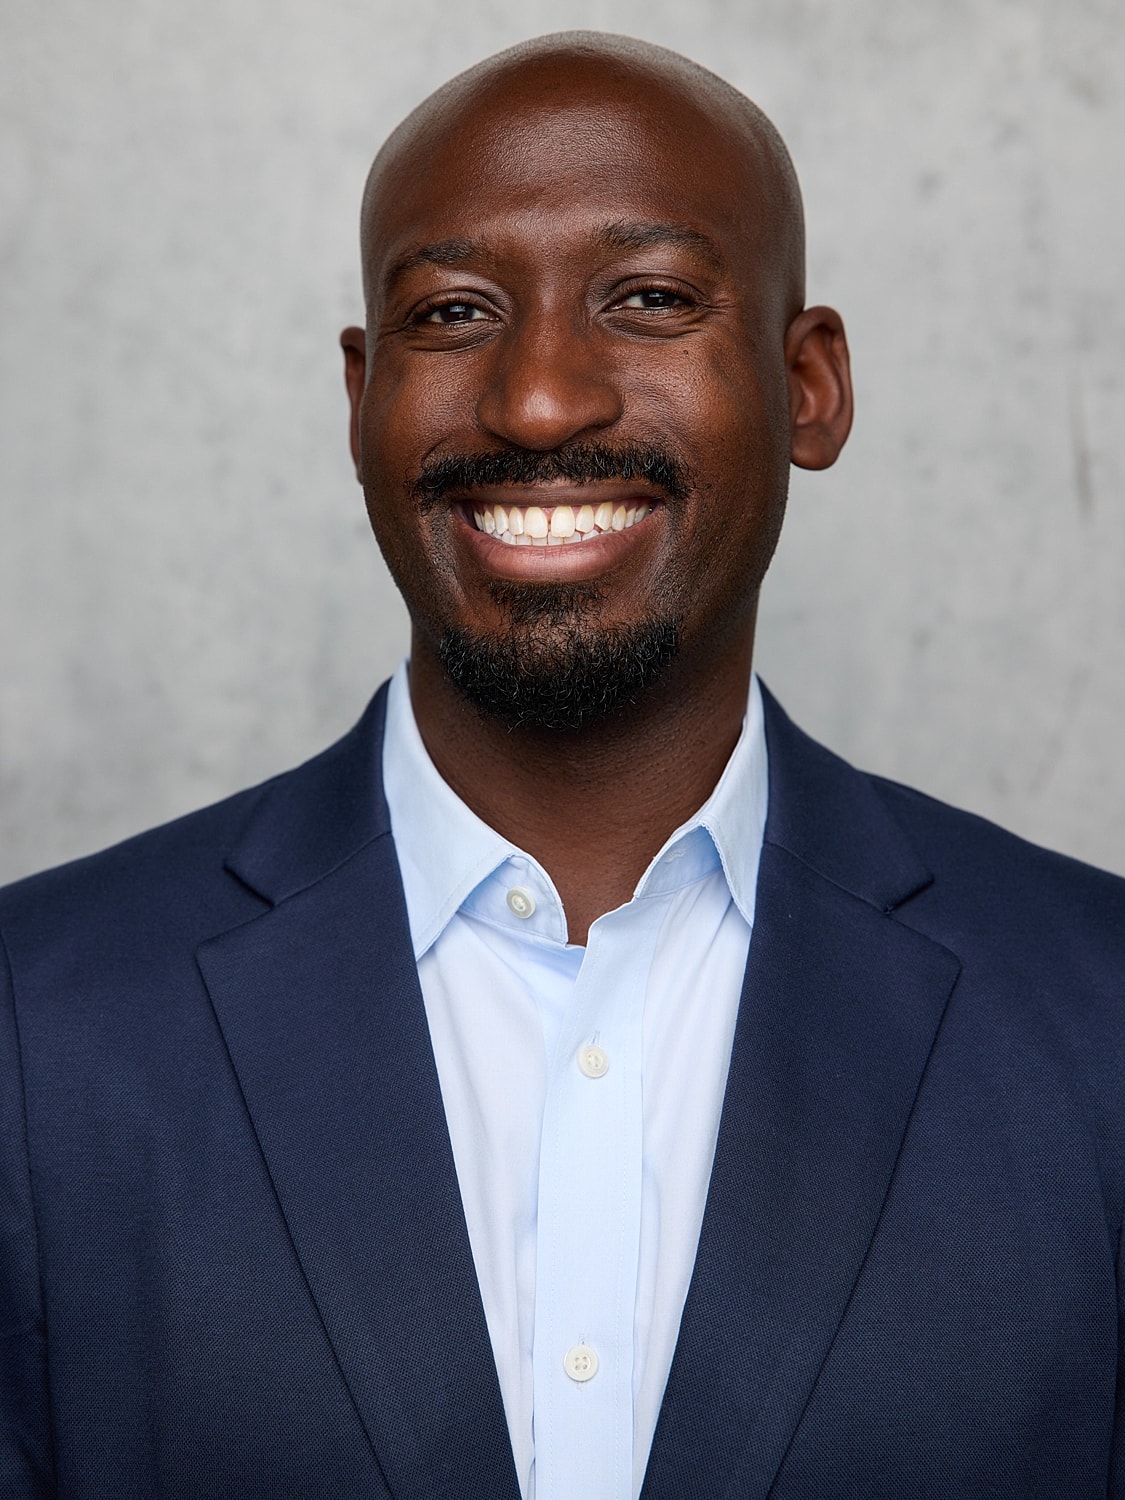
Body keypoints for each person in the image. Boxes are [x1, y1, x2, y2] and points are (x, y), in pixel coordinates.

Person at [1, 30, 1123, 1500]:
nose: (537, 403)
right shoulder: (35, 1029)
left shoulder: (1097, 1021)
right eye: (454, 311)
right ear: (358, 399)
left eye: (648, 299)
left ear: (808, 387)